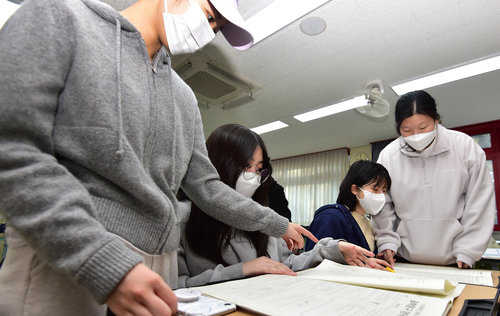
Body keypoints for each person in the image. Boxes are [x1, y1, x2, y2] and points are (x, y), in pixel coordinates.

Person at [0, 1, 316, 315]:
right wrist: (101, 259)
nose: (209, 33)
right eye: (209, 16)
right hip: (70, 252)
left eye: (217, 27)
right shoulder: (61, 18)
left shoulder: (184, 97)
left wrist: (278, 223)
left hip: (157, 268)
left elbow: (207, 188)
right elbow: (15, 151)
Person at [178, 124, 390, 288]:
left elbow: (286, 264)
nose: (253, 177)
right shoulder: (183, 217)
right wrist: (243, 270)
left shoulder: (265, 217)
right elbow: (175, 286)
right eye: (245, 166)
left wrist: (335, 251)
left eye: (258, 169)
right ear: (216, 164)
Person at [372, 90, 495, 269]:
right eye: (407, 130)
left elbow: (479, 203)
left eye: (423, 127)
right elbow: (383, 205)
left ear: (436, 120)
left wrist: (468, 250)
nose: (416, 135)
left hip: (456, 259)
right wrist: (387, 242)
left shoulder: (465, 148)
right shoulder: (388, 156)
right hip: (403, 259)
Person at [305, 160, 391, 253]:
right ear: (355, 189)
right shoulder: (330, 217)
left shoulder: (369, 222)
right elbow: (315, 258)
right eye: (375, 189)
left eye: (384, 190)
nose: (381, 196)